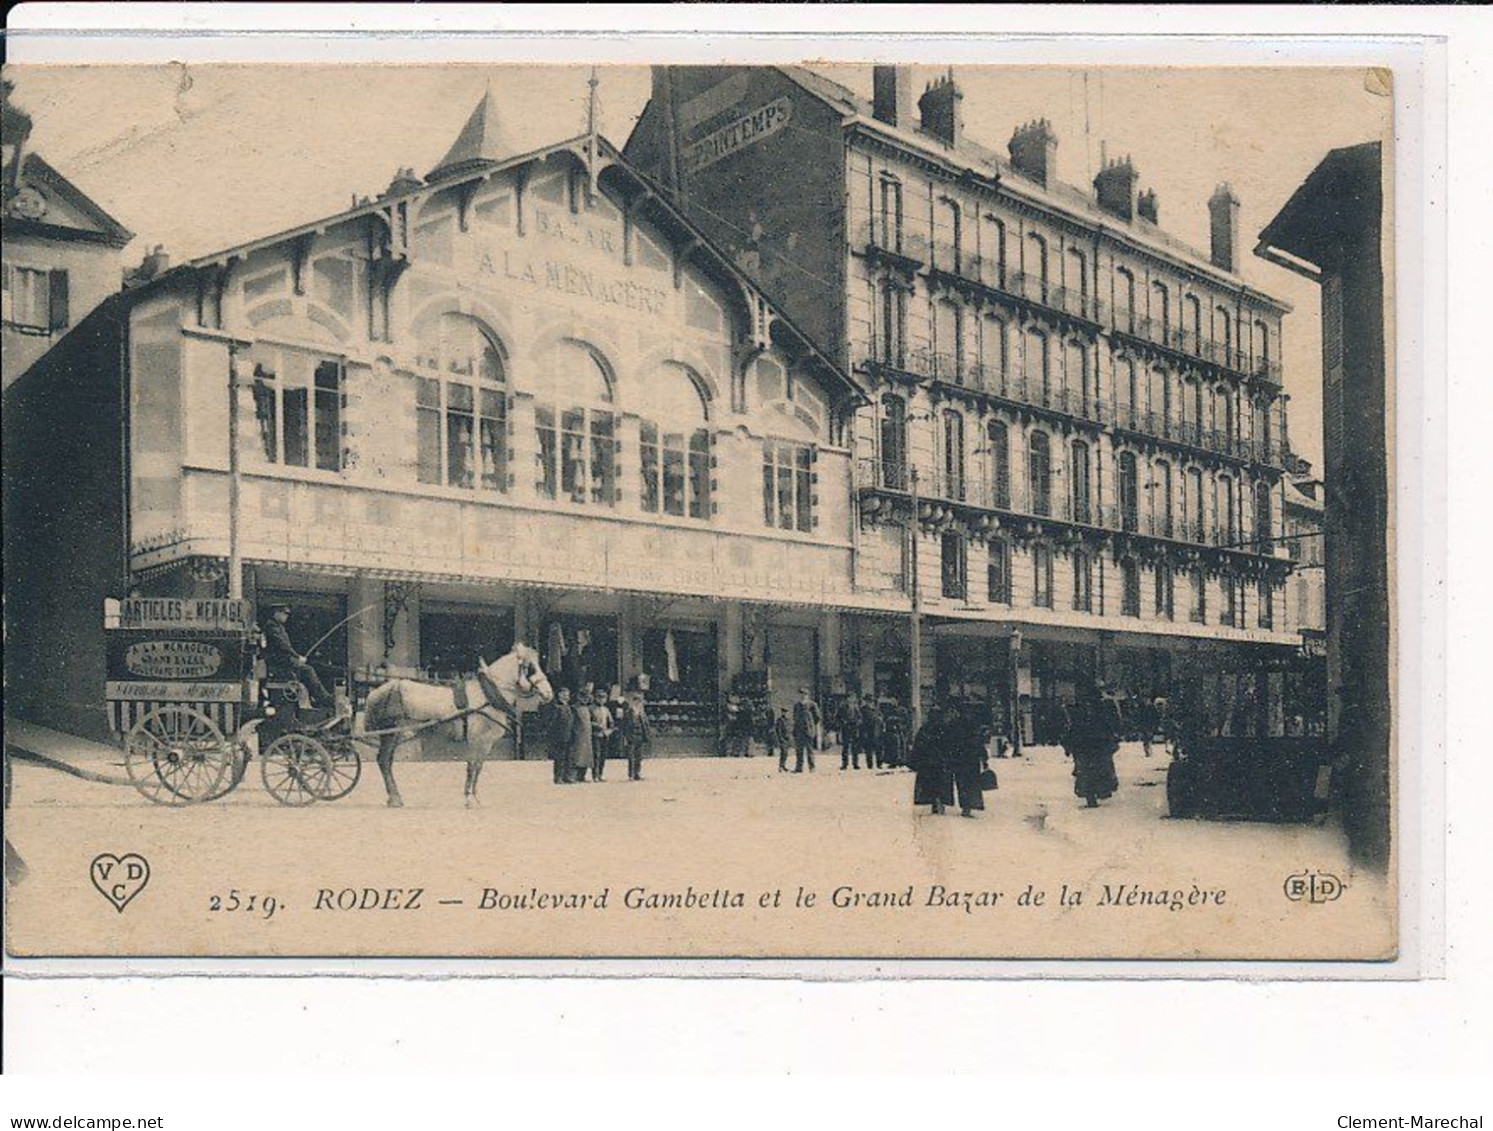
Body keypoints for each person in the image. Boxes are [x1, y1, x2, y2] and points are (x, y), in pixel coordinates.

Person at [261, 603, 333, 707]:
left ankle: (318, 697)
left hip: (285, 660)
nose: (287, 616)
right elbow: (282, 645)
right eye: (285, 613)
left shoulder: (279, 627)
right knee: (308, 670)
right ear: (277, 613)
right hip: (280, 662)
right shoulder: (272, 626)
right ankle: (323, 698)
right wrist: (297, 657)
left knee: (314, 666)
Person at [1064, 680, 1121, 808]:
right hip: (1098, 742)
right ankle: (1099, 792)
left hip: (1084, 743)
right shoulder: (1106, 705)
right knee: (1099, 768)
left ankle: (1091, 794)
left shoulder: (1077, 707)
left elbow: (1071, 727)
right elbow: (1114, 722)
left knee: (1086, 770)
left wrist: (1069, 745)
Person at [910, 703, 953, 814]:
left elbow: (918, 745)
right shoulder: (946, 728)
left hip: (928, 761)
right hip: (941, 761)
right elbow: (951, 745)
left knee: (930, 783)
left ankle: (934, 801)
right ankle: (940, 801)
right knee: (941, 783)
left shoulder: (925, 728)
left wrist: (915, 760)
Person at [619, 691, 652, 781]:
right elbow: (624, 726)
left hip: (640, 736)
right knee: (631, 756)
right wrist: (625, 737)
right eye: (636, 701)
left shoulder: (642, 713)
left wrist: (647, 736)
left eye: (640, 701)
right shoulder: (628, 712)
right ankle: (631, 774)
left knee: (639, 756)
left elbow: (645, 725)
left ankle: (637, 773)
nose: (638, 703)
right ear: (633, 701)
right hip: (631, 736)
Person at [546, 687, 576, 784]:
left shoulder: (569, 707)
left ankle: (567, 776)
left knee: (569, 757)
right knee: (559, 758)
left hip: (569, 735)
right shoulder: (556, 707)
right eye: (563, 695)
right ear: (558, 695)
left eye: (567, 695)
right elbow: (552, 723)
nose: (566, 697)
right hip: (559, 736)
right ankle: (558, 777)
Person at [569, 688, 596, 782]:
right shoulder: (574, 708)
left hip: (587, 735)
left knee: (587, 756)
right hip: (578, 735)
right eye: (583, 697)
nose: (585, 699)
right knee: (577, 756)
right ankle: (573, 776)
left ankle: (582, 775)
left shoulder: (588, 708)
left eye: (587, 697)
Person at [792, 687, 820, 773]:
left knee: (809, 750)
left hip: (808, 731)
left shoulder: (812, 705)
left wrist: (811, 725)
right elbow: (794, 718)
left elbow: (817, 717)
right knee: (799, 750)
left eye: (804, 694)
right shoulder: (797, 706)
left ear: (808, 695)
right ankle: (799, 768)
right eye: (801, 694)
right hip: (799, 731)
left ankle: (812, 767)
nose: (803, 696)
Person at [589, 687, 614, 781]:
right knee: (596, 755)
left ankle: (601, 774)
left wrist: (609, 731)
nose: (602, 699)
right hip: (595, 734)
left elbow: (611, 722)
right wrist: (596, 725)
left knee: (603, 755)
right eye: (599, 697)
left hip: (605, 735)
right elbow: (588, 721)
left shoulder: (606, 709)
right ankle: (595, 775)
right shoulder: (591, 708)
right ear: (595, 698)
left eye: (604, 697)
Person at [838, 693, 863, 770]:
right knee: (845, 747)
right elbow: (838, 718)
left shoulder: (856, 708)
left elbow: (860, 718)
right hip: (846, 729)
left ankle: (855, 764)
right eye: (848, 699)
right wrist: (843, 722)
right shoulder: (842, 708)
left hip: (854, 729)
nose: (850, 700)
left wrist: (857, 723)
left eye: (852, 698)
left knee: (855, 747)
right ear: (846, 700)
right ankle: (844, 764)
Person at [882, 699, 909, 769]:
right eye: (891, 701)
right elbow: (886, 719)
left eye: (894, 701)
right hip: (891, 731)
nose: (893, 703)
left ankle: (902, 761)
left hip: (900, 730)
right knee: (892, 746)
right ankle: (893, 761)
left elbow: (906, 720)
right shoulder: (889, 710)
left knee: (901, 745)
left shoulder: (902, 710)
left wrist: (898, 721)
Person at [860, 697, 885, 770]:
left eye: (871, 701)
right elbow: (862, 721)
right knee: (869, 749)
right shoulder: (863, 710)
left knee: (879, 749)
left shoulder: (876, 710)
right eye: (868, 701)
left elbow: (881, 719)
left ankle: (879, 764)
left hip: (877, 731)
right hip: (868, 731)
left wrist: (881, 725)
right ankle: (870, 765)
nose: (870, 703)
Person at [772, 706, 792, 773]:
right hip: (782, 739)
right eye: (784, 712)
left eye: (786, 712)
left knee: (786, 753)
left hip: (787, 739)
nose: (785, 713)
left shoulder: (787, 720)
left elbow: (789, 729)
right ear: (782, 712)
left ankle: (783, 766)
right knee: (783, 752)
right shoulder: (779, 721)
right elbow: (778, 730)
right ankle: (781, 766)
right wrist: (780, 738)